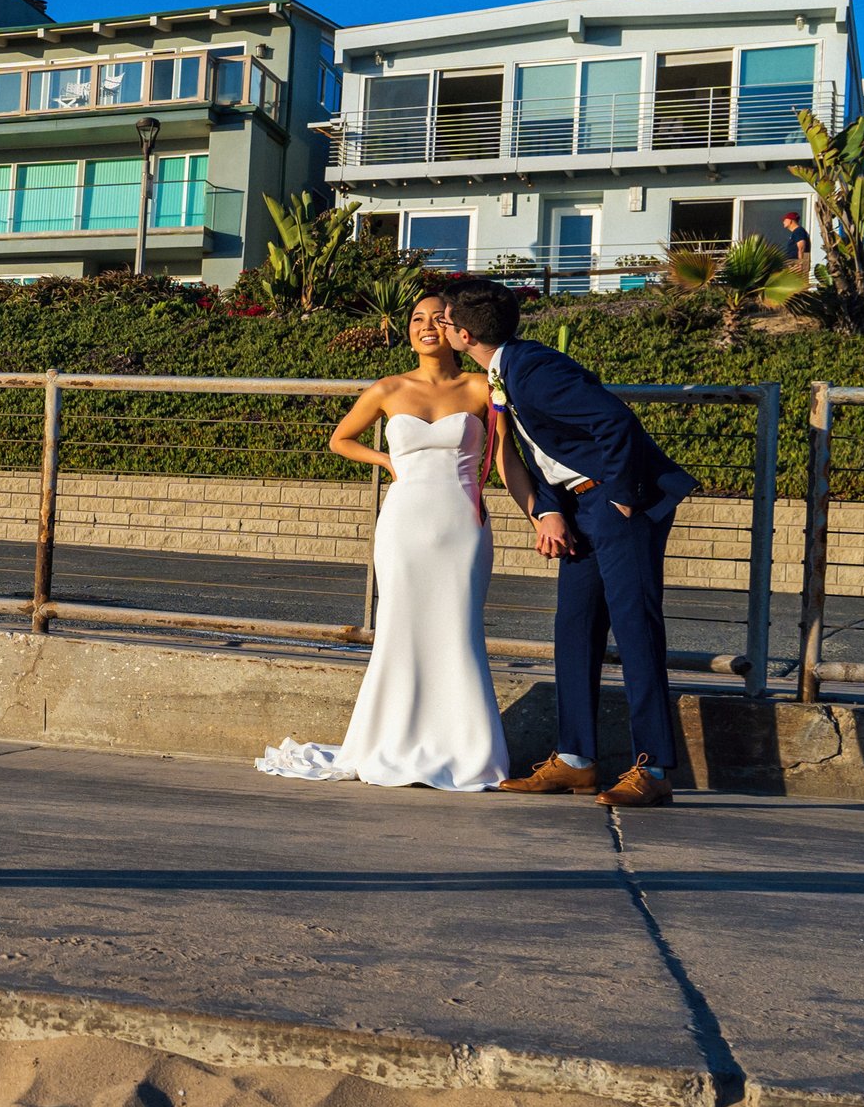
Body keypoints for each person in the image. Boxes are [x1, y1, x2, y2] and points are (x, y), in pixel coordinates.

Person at [434, 278, 699, 808]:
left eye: (445, 321)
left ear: (463, 333)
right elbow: (542, 450)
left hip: (618, 506)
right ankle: (576, 761)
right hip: (578, 507)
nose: (440, 328)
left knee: (636, 629)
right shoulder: (506, 368)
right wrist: (552, 508)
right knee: (575, 627)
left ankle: (655, 768)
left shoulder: (534, 369)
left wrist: (621, 497)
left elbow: (615, 420)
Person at [258, 294, 509, 790]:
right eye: (417, 318)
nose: (428, 325)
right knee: (400, 629)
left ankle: (467, 749)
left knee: (458, 631)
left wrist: (541, 511)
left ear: (459, 328)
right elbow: (340, 439)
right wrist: (388, 463)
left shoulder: (483, 386)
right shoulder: (388, 388)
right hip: (403, 526)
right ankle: (389, 741)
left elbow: (504, 457)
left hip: (463, 526)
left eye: (439, 317)